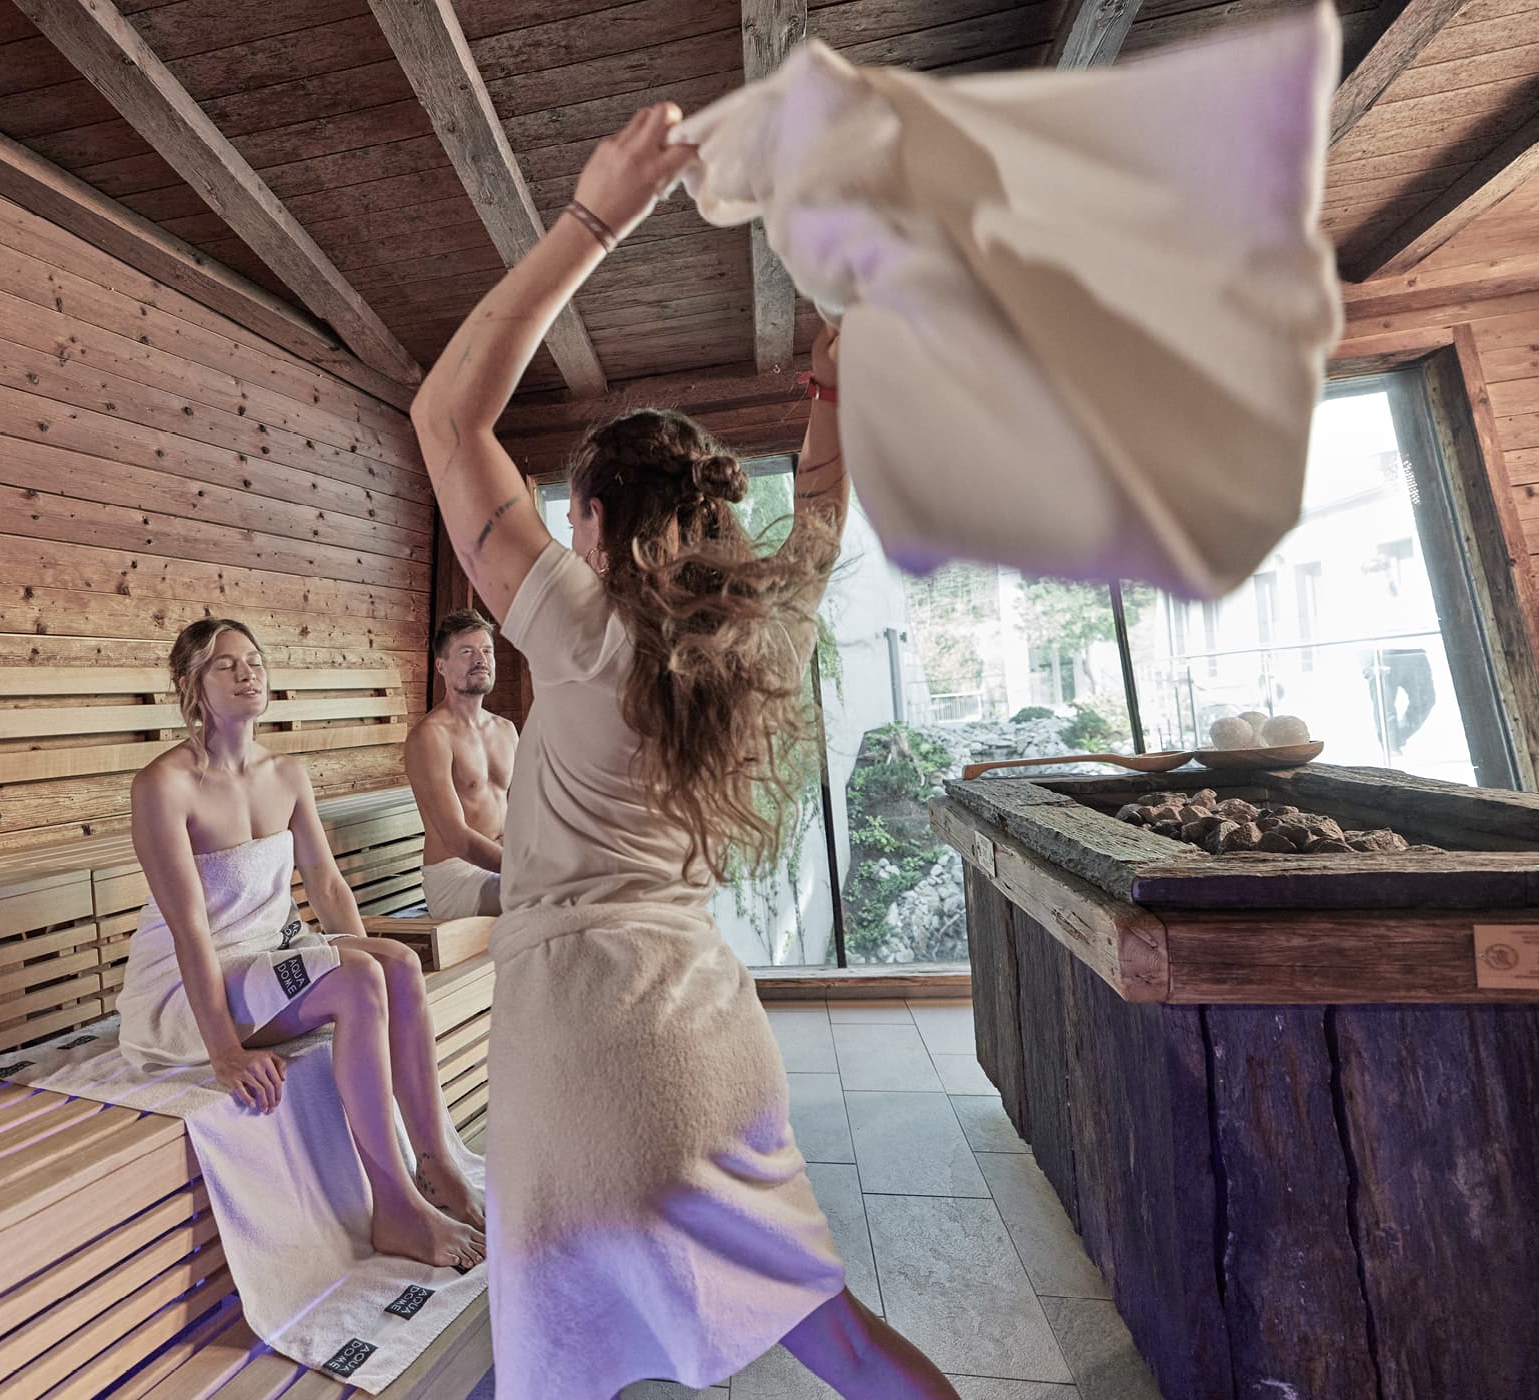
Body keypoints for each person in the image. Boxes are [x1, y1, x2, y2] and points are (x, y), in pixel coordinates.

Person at [408, 104, 959, 1399]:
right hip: (713, 1037)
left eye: (572, 516)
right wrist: (833, 383)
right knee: (837, 1340)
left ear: (597, 521)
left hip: (585, 1050)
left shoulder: (586, 628)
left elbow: (446, 418)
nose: (564, 536)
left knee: (548, 1370)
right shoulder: (757, 640)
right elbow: (820, 507)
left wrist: (594, 216)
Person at [116, 618, 485, 1269]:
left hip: (268, 955)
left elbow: (328, 885)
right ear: (192, 685)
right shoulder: (163, 786)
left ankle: (435, 1164)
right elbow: (189, 929)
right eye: (227, 665)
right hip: (188, 984)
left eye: (255, 661)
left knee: (397, 964)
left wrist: (374, 970)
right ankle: (395, 1207)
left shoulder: (286, 774)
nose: (248, 673)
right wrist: (225, 1052)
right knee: (359, 981)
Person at [405, 608, 516, 919]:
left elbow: (525, 813)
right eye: (467, 652)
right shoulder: (431, 736)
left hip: (505, 867)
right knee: (554, 897)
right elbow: (455, 837)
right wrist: (524, 870)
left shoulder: (506, 730)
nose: (480, 659)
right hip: (457, 878)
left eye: (487, 651)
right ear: (441, 665)